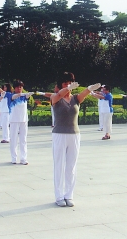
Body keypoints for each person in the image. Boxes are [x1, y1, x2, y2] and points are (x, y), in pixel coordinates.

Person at [50, 71, 100, 207]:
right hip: (59, 134)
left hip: (74, 135)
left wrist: (89, 89)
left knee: (71, 166)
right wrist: (66, 89)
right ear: (60, 84)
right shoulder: (56, 97)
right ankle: (59, 195)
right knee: (59, 165)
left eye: (69, 83)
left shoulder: (75, 99)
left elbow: (83, 94)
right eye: (65, 83)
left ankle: (69, 195)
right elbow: (59, 94)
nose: (67, 86)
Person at [9, 80, 34, 165]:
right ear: (14, 88)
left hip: (23, 120)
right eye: (18, 87)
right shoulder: (11, 96)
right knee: (14, 140)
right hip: (14, 120)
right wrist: (23, 94)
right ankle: (14, 158)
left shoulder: (24, 97)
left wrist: (28, 94)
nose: (19, 88)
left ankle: (23, 158)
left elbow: (26, 97)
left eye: (21, 87)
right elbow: (15, 96)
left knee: (23, 140)